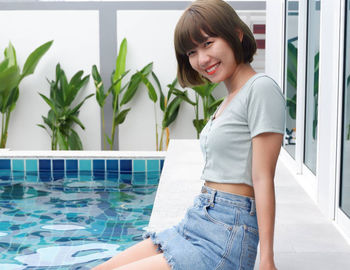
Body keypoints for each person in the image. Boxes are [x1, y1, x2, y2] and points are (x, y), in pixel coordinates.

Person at [93, 0, 285, 269]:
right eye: (192, 52)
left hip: (227, 234)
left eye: (208, 43)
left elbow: (263, 177)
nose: (201, 59)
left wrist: (267, 259)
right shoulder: (229, 99)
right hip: (198, 220)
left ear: (237, 35)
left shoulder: (261, 89)